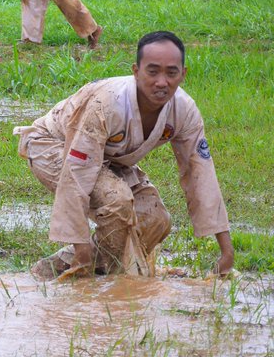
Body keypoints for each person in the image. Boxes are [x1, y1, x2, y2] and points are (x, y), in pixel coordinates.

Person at [16, 31, 233, 280]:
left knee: (155, 219)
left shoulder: (184, 110)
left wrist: (226, 251)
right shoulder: (108, 103)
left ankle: (58, 267)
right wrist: (81, 246)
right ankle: (110, 278)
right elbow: (76, 172)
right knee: (117, 202)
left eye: (171, 73)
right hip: (54, 145)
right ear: (136, 71)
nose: (162, 82)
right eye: (153, 72)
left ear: (183, 74)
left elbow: (200, 173)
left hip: (107, 158)